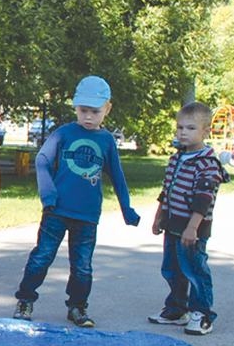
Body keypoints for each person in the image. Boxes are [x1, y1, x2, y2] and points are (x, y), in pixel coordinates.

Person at [12, 75, 141, 327]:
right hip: (56, 211)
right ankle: (25, 300)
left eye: (95, 111)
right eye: (83, 110)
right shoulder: (64, 134)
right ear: (76, 107)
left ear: (107, 108)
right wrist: (48, 194)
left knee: (82, 266)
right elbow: (42, 161)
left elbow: (117, 176)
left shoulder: (106, 141)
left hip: (87, 216)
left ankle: (78, 307)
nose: (88, 117)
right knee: (42, 257)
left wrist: (127, 208)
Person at [148, 102, 229, 335]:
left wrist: (192, 228)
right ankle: (176, 309)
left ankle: (202, 313)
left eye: (191, 128)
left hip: (192, 230)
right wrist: (159, 217)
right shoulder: (176, 159)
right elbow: (166, 192)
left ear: (206, 131)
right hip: (172, 226)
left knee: (195, 271)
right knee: (172, 270)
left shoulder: (207, 164)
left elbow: (203, 200)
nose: (183, 132)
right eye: (180, 127)